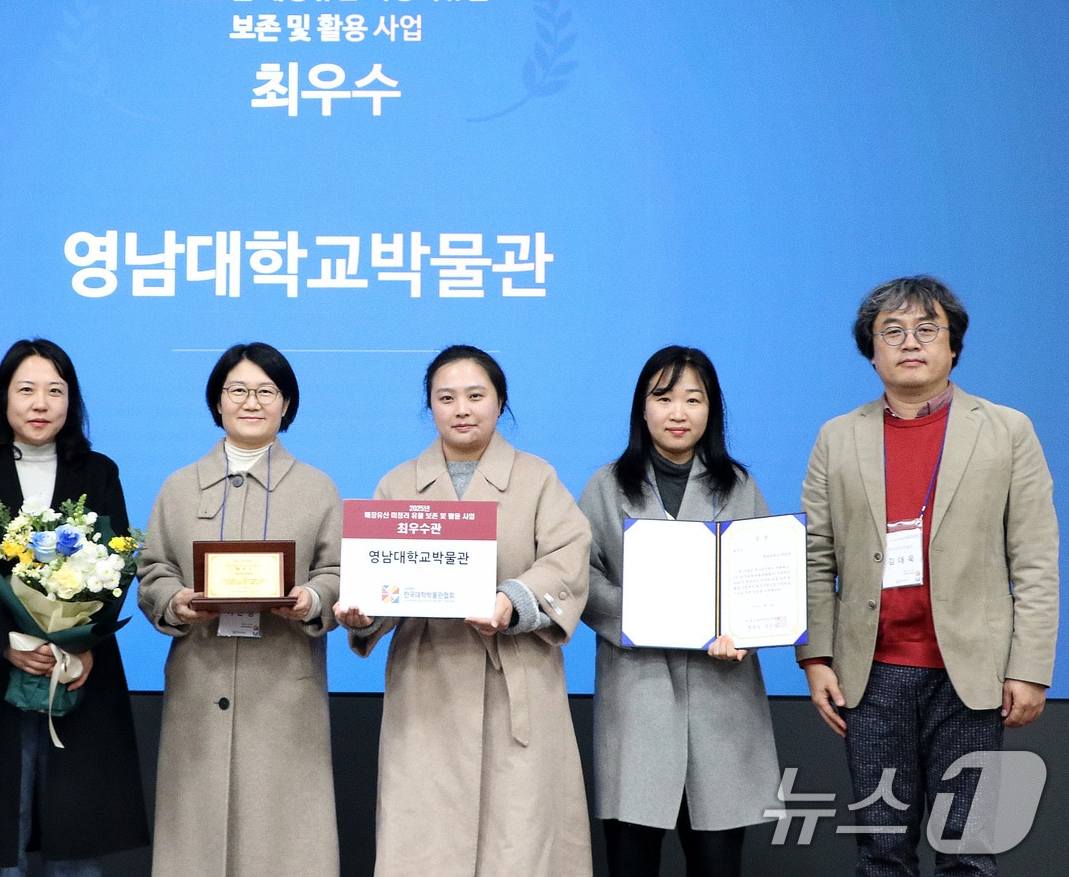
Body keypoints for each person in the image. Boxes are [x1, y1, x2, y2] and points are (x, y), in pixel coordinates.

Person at [797, 275, 1058, 875]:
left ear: (953, 346)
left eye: (926, 329)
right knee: (881, 848)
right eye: (892, 331)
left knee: (970, 847)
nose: (909, 343)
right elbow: (816, 556)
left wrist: (1029, 667)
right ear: (871, 349)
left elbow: (1036, 558)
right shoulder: (837, 438)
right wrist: (816, 658)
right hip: (874, 673)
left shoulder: (1006, 430)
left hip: (972, 674)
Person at [336, 344, 592, 876]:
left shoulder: (537, 477)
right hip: (428, 683)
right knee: (425, 843)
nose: (462, 409)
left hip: (515, 679)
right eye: (446, 397)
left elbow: (569, 557)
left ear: (500, 402)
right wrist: (364, 615)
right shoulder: (398, 483)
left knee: (520, 841)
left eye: (476, 395)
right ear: (429, 406)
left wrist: (512, 600)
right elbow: (380, 577)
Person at [0, 339, 149, 875]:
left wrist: (82, 645)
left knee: (76, 829)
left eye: (54, 390)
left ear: (71, 401)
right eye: (26, 390)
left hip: (77, 669)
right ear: (3, 399)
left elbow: (117, 564)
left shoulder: (98, 470)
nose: (40, 403)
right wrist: (8, 642)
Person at [136, 342, 341, 877]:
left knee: (285, 845)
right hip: (198, 686)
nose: (252, 402)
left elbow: (339, 572)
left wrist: (313, 599)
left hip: (283, 691)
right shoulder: (178, 487)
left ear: (287, 405)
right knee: (195, 844)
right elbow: (153, 569)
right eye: (237, 390)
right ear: (218, 402)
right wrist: (175, 602)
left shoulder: (318, 490)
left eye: (266, 391)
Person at [577, 345, 780, 877]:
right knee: (632, 860)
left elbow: (763, 582)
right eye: (663, 397)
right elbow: (581, 580)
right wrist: (642, 613)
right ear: (642, 409)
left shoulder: (738, 486)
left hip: (721, 692)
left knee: (717, 862)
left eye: (693, 399)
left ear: (711, 409)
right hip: (638, 692)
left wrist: (748, 628)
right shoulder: (605, 485)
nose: (678, 412)